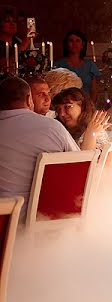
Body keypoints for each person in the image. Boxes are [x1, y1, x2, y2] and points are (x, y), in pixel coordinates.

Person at [0, 77, 78, 212]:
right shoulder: (53, 127)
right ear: (28, 99)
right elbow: (80, 164)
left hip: (4, 219)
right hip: (47, 217)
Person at [55, 29, 102, 100]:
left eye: (77, 41)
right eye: (71, 41)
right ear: (66, 44)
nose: (74, 43)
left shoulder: (90, 65)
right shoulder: (59, 65)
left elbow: (94, 91)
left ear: (82, 45)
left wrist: (90, 106)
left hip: (87, 105)